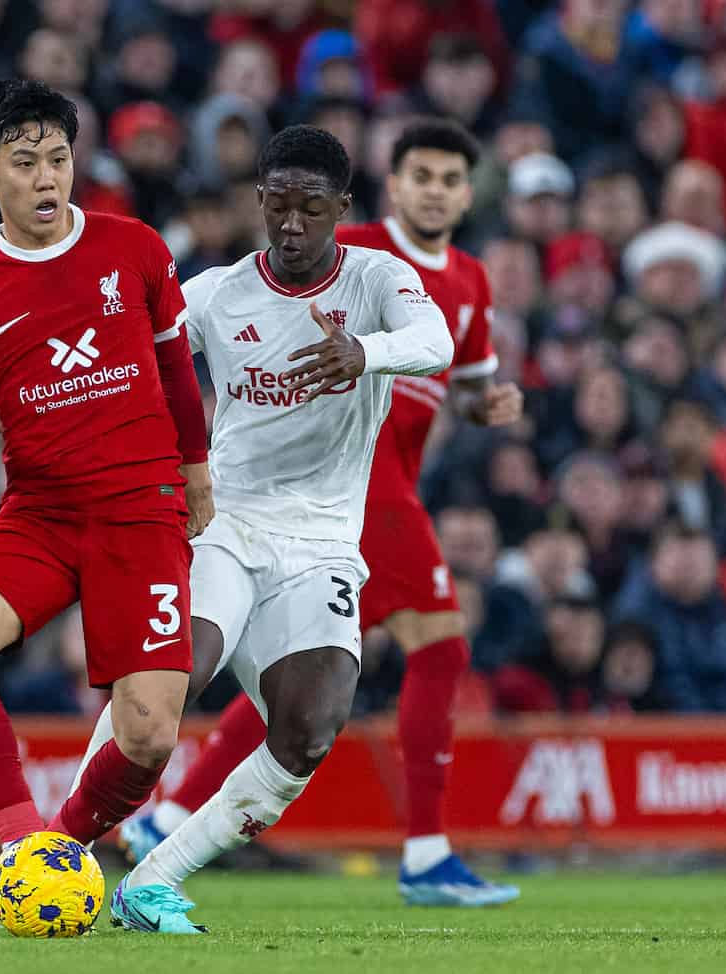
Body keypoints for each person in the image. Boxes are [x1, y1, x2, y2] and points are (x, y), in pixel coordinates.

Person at [117, 118, 523, 909]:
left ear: (468, 194)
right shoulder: (342, 247)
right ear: (389, 185)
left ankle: (163, 824)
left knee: (300, 685)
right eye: (420, 175)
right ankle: (428, 851)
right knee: (432, 647)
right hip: (328, 500)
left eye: (449, 179)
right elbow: (156, 340)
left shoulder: (467, 281)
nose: (434, 190)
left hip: (365, 491)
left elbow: (454, 370)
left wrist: (485, 404)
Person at [0, 80, 211, 925]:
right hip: (41, 513)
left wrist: (197, 472)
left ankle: (57, 851)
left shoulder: (135, 249)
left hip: (139, 509)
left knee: (150, 735)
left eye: (58, 160)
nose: (47, 179)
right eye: (24, 164)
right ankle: (20, 852)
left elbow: (176, 374)